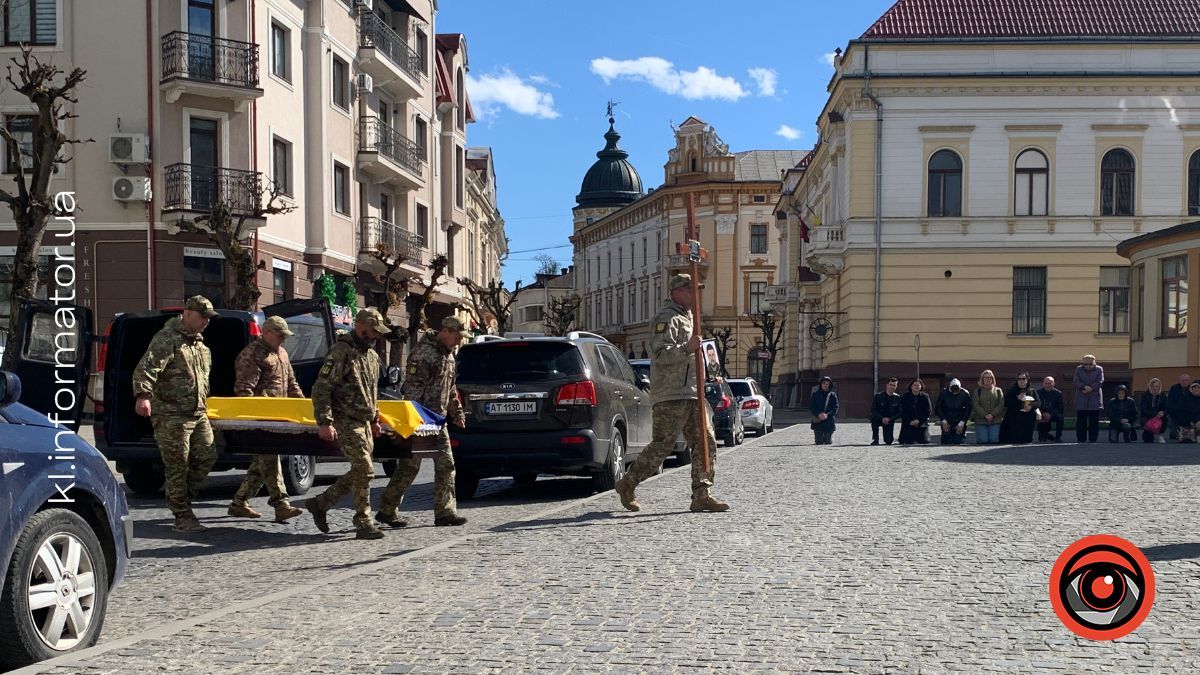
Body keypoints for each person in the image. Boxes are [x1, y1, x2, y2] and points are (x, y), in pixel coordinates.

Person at [615, 274, 729, 513]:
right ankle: (628, 483)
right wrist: (689, 348)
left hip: (692, 392)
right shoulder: (666, 319)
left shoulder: (689, 318)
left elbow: (692, 356)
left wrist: (710, 368)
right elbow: (659, 354)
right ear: (678, 291)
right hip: (671, 393)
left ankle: (702, 493)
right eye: (692, 290)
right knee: (663, 445)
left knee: (705, 443)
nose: (696, 295)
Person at [132, 296, 218, 533]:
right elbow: (148, 367)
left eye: (209, 319)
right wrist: (143, 395)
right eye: (203, 317)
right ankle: (182, 515)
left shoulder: (201, 346)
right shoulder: (167, 339)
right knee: (177, 464)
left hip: (198, 413)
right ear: (188, 314)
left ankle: (181, 496)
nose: (206, 323)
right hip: (171, 414)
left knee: (208, 455)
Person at [376, 316, 470, 528]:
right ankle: (387, 509)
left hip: (438, 421)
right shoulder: (424, 353)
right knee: (409, 468)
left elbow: (451, 388)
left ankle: (445, 512)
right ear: (445, 331)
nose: (458, 341)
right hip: (420, 421)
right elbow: (412, 391)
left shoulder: (449, 355)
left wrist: (457, 413)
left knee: (446, 466)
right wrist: (415, 422)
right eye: (456, 336)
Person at [306, 308, 388, 540]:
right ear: (360, 326)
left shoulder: (371, 356)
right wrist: (324, 422)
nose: (375, 336)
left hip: (364, 421)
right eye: (372, 331)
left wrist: (375, 418)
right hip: (345, 419)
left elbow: (372, 392)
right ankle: (363, 522)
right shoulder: (341, 352)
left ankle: (321, 503)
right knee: (365, 469)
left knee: (361, 471)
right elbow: (321, 389)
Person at [226, 316, 306, 523]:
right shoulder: (251, 354)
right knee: (270, 458)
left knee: (262, 463)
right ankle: (281, 504)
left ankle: (239, 503)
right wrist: (253, 420)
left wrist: (305, 407)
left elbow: (291, 384)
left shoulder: (283, 353)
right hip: (260, 420)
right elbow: (244, 391)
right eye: (280, 336)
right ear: (267, 332)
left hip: (280, 418)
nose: (283, 340)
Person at [1003, 373, 1041, 445]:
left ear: (1027, 380)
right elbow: (1006, 403)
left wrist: (1030, 406)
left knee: (1027, 440)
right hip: (1015, 419)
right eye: (1019, 379)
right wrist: (1017, 399)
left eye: (1023, 379)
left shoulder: (1032, 391)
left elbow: (1038, 402)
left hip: (1028, 418)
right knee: (1015, 440)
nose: (1021, 381)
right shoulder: (1012, 391)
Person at [1074, 354, 1104, 443]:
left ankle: (1093, 438)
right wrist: (1083, 387)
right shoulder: (1078, 369)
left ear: (1094, 363)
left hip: (1094, 396)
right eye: (1086, 364)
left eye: (1090, 364)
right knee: (1081, 420)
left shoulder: (1099, 369)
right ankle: (1081, 438)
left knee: (1094, 420)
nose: (1088, 366)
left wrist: (1091, 388)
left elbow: (1100, 381)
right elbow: (1076, 381)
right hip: (1081, 396)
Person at [971, 370, 1005, 445]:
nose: (988, 379)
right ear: (982, 379)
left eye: (990, 377)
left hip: (995, 420)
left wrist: (992, 414)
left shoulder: (998, 390)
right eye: (985, 377)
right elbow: (976, 405)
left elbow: (1001, 404)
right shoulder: (978, 391)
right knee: (983, 440)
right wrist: (985, 415)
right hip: (981, 420)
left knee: (994, 440)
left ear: (993, 379)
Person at [935, 378, 972, 445]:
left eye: (957, 390)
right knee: (946, 442)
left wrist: (962, 423)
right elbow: (938, 408)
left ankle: (962, 433)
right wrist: (943, 421)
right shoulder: (943, 393)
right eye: (953, 390)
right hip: (947, 420)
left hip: (960, 420)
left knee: (958, 442)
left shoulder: (965, 394)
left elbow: (968, 410)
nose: (955, 392)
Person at [869, 378, 902, 445]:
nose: (892, 387)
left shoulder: (898, 398)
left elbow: (900, 412)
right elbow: (873, 410)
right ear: (887, 385)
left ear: (896, 386)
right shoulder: (878, 396)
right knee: (873, 419)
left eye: (894, 385)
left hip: (890, 420)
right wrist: (882, 418)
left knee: (888, 441)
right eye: (890, 385)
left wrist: (890, 419)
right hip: (879, 418)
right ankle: (875, 439)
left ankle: (887, 437)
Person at [898, 379, 931, 445]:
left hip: (921, 422)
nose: (916, 386)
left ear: (921, 386)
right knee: (908, 441)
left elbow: (928, 410)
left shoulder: (925, 396)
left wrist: (919, 420)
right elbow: (902, 410)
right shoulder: (905, 396)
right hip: (909, 423)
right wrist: (910, 421)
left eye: (918, 385)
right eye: (914, 385)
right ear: (911, 386)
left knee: (924, 441)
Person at [809, 376, 838, 445]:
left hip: (829, 421)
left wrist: (827, 415)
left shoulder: (833, 395)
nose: (825, 385)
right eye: (824, 383)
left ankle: (829, 437)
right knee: (819, 442)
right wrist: (818, 414)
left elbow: (835, 408)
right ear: (821, 384)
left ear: (829, 385)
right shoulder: (815, 394)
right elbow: (811, 407)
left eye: (827, 384)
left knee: (827, 442)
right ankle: (819, 437)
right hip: (818, 420)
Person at [1036, 376, 1065, 442]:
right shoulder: (1038, 393)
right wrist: (1042, 413)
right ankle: (1045, 435)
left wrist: (1050, 414)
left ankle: (1058, 437)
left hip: (1053, 414)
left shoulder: (1058, 393)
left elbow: (1060, 407)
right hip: (1042, 413)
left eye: (1050, 383)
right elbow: (1036, 405)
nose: (1047, 385)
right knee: (1042, 439)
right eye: (1046, 383)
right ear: (1043, 384)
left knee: (1060, 417)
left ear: (1053, 384)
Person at [1139, 378, 1167, 444]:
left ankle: (1160, 435)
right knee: (1148, 440)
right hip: (1147, 416)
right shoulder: (1145, 395)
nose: (1155, 388)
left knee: (1165, 419)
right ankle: (1149, 433)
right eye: (1153, 386)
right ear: (1150, 386)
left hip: (1159, 417)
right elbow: (1143, 409)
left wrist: (1163, 412)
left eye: (1157, 386)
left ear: (1159, 387)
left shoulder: (1163, 395)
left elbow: (1166, 407)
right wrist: (1154, 414)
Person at [1166, 373, 1192, 440]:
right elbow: (1170, 403)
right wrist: (1177, 410)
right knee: (1175, 435)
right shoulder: (1174, 389)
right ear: (1179, 381)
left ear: (1189, 381)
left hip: (1188, 414)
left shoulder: (1192, 389)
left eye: (1186, 380)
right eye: (1183, 380)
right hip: (1176, 413)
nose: (1184, 382)